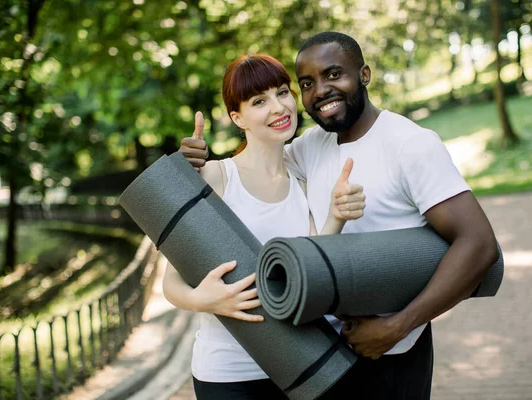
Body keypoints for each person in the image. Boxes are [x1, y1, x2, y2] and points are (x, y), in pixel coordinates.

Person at [178, 32, 500, 399]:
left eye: (334, 75)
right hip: (324, 354)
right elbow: (254, 158)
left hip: (393, 348)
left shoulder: (410, 144)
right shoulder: (308, 147)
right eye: (306, 83)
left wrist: (396, 327)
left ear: (364, 74)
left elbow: (479, 243)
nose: (321, 91)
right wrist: (190, 163)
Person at [162, 54, 366, 400]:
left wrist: (337, 216)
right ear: (237, 117)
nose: (278, 108)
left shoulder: (303, 178)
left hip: (309, 361)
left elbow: (311, 269)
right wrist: (204, 299)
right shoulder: (215, 177)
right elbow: (171, 283)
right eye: (259, 101)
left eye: (283, 93)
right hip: (230, 373)